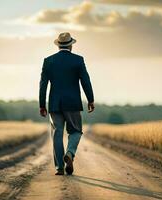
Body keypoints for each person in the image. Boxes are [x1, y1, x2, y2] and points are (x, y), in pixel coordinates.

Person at [39, 32, 95, 175]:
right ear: (71, 45)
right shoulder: (78, 60)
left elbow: (43, 84)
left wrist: (42, 104)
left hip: (54, 104)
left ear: (58, 45)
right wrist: (90, 100)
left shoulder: (48, 61)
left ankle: (59, 168)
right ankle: (69, 153)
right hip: (72, 103)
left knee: (57, 134)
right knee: (76, 131)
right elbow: (85, 81)